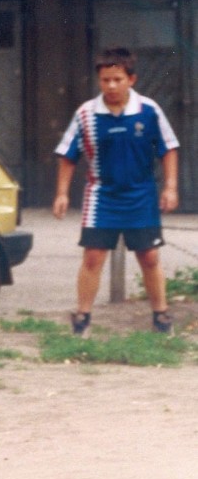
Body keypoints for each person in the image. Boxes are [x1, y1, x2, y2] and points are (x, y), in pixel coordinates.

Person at [52, 46, 180, 336]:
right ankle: (82, 319)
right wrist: (62, 193)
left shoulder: (149, 111)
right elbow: (68, 155)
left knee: (149, 257)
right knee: (93, 257)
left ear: (131, 79)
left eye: (117, 79)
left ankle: (161, 317)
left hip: (142, 196)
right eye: (105, 80)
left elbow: (169, 148)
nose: (111, 85)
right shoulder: (85, 114)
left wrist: (170, 187)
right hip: (102, 197)